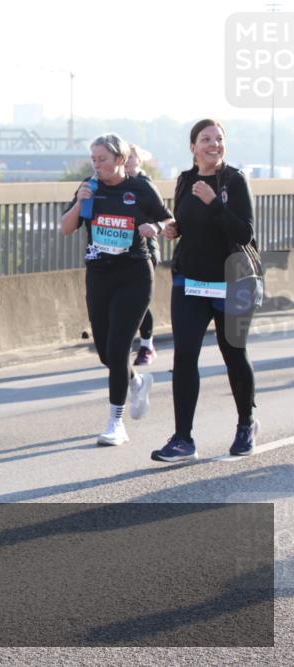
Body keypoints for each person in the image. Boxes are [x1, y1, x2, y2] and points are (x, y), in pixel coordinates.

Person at [152, 119, 258, 462]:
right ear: (193, 147)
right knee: (184, 357)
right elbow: (189, 223)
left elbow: (244, 233)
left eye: (219, 139)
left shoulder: (235, 181)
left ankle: (246, 424)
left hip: (231, 283)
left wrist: (215, 203)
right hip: (190, 282)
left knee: (233, 356)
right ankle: (183, 439)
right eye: (206, 139)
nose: (214, 144)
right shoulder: (185, 180)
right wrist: (174, 228)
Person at [60, 134, 174, 447]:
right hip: (99, 276)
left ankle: (115, 422)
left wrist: (158, 228)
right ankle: (136, 382)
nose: (97, 166)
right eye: (93, 160)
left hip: (134, 275)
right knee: (106, 353)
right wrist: (81, 202)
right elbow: (66, 227)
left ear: (120, 160)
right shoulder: (89, 187)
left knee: (121, 346)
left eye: (103, 160)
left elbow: (170, 221)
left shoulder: (139, 188)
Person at [125, 144, 160, 366]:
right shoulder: (113, 185)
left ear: (139, 160)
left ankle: (147, 345)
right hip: (121, 252)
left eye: (132, 157)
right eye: (124, 157)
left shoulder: (145, 185)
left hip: (145, 250)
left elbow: (165, 217)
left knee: (138, 301)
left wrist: (154, 226)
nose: (128, 160)